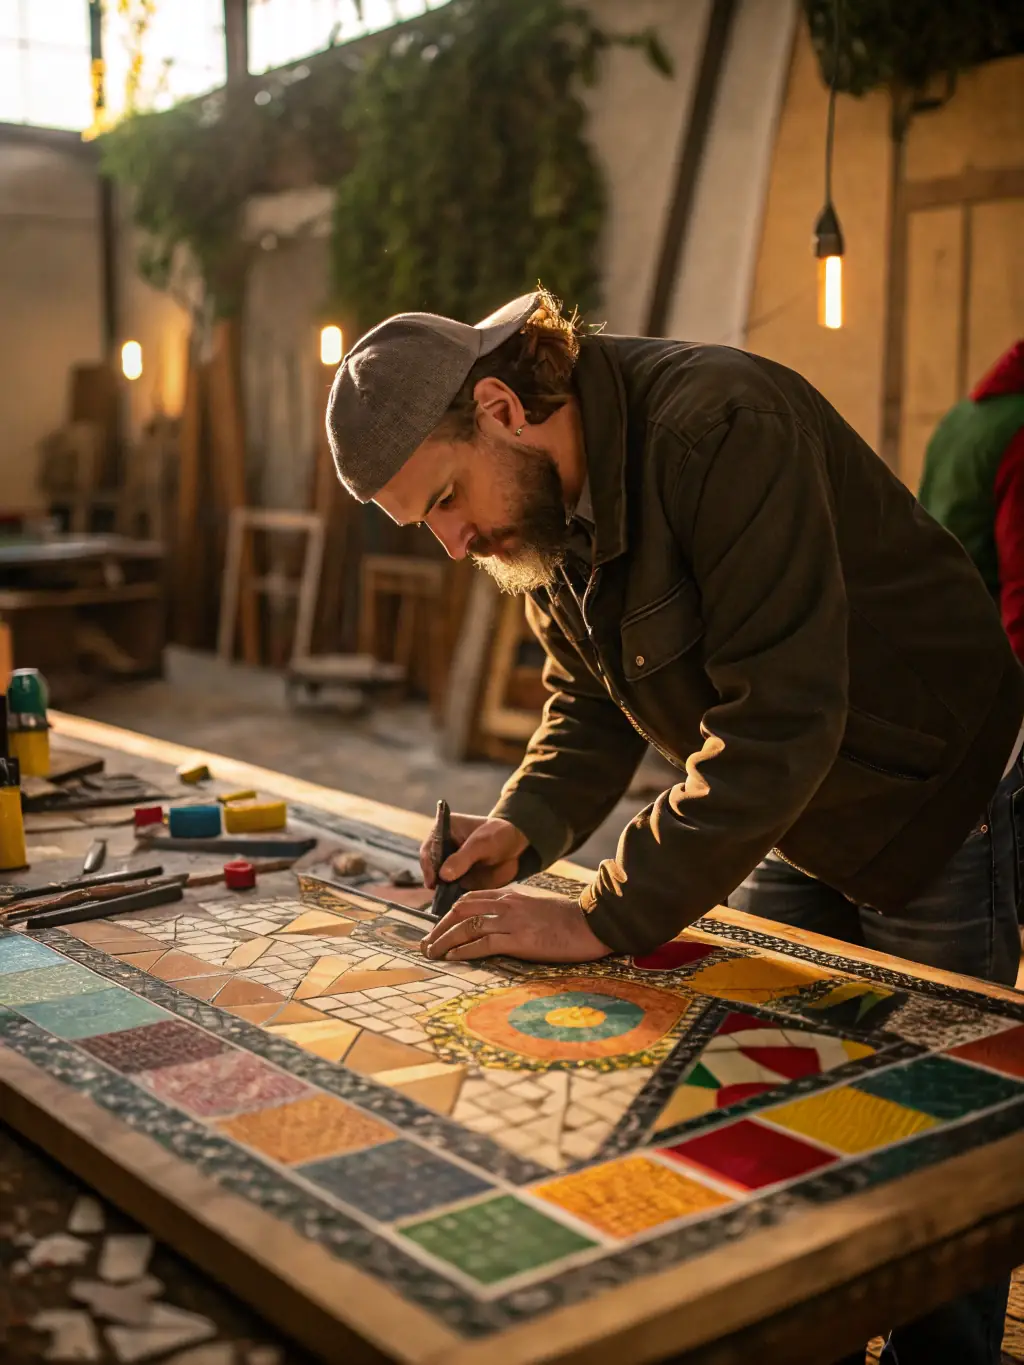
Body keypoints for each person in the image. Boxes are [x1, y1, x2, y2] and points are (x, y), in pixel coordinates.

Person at [326, 288, 1023, 1365]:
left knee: (942, 1147)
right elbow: (590, 700)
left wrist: (604, 911)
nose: (456, 545)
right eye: (429, 525)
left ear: (502, 406)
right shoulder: (540, 509)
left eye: (447, 501)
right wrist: (522, 828)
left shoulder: (716, 425)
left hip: (929, 791)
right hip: (789, 809)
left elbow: (782, 719)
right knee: (770, 1106)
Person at [918, 338, 1024, 662]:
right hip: (989, 647)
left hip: (930, 629)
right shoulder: (1018, 432)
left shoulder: (961, 416)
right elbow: (1020, 574)